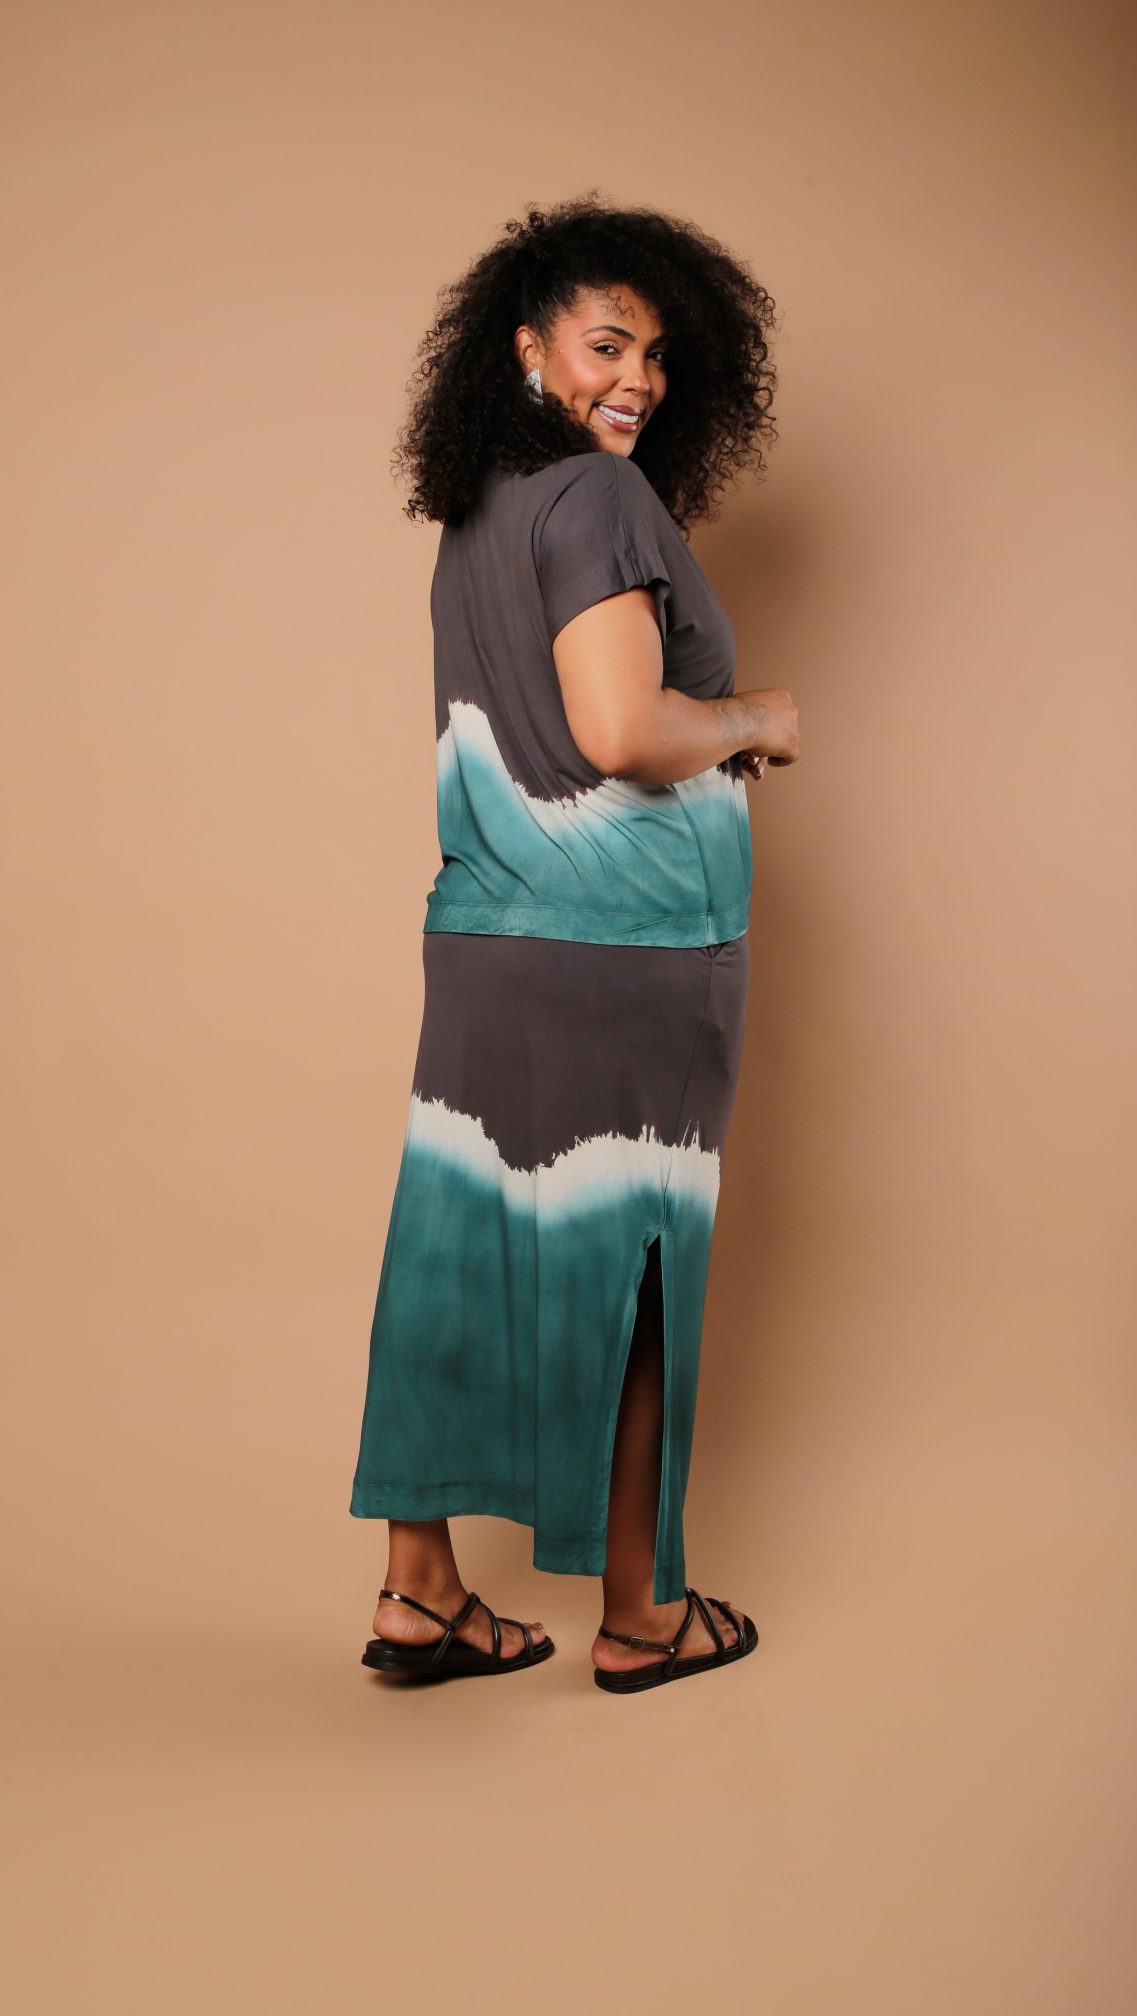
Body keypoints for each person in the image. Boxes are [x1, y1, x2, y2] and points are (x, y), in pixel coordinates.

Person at [349, 192, 800, 1694]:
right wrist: (753, 718)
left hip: (487, 938)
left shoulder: (480, 508)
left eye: (658, 355)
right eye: (609, 345)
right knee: (635, 1265)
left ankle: (421, 1594)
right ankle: (641, 1612)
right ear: (527, 346)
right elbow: (617, 730)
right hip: (630, 953)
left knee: (454, 1248)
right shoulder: (600, 502)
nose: (639, 380)